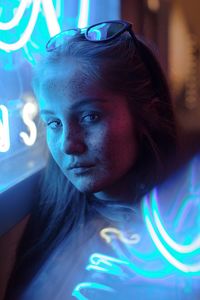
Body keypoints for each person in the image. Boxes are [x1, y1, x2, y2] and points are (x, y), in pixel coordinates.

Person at [5, 20, 181, 300]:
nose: (69, 145)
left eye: (90, 116)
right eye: (54, 123)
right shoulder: (52, 224)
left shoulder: (182, 242)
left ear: (146, 113)